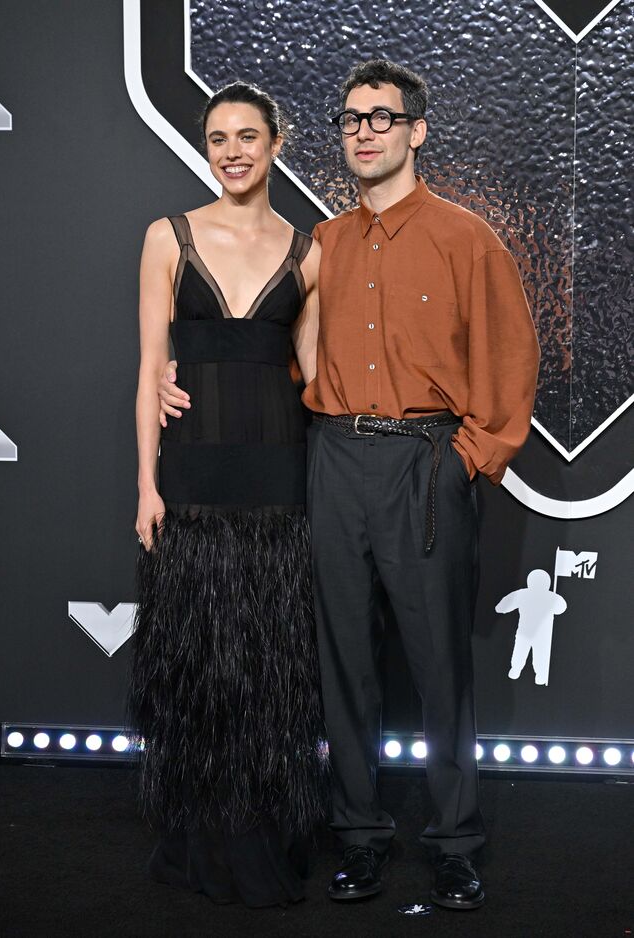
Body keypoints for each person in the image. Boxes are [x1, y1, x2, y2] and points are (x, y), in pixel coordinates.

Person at [158, 59, 540, 910]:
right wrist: (165, 376)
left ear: (416, 130)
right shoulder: (322, 243)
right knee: (342, 665)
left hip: (425, 461)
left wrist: (468, 458)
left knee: (439, 662)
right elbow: (254, 338)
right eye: (351, 119)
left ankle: (453, 844)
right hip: (330, 458)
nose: (364, 131)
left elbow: (513, 360)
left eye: (381, 117)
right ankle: (360, 837)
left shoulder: (465, 237)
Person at [128, 80, 327, 909]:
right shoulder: (167, 237)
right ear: (206, 148)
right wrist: (146, 484)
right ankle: (199, 843)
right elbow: (148, 373)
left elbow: (315, 378)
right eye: (218, 137)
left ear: (276, 143)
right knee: (199, 668)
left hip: (279, 484)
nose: (233, 150)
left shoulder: (310, 251)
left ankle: (259, 840)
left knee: (268, 674)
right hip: (195, 482)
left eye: (249, 135)